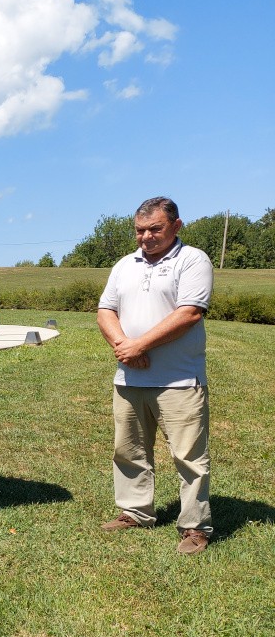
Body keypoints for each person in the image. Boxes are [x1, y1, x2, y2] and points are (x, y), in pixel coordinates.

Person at [97, 196, 214, 554]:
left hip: (179, 380)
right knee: (128, 450)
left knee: (189, 457)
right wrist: (123, 346)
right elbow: (105, 310)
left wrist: (139, 346)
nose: (146, 237)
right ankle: (135, 512)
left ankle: (195, 527)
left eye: (155, 229)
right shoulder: (124, 265)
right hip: (129, 379)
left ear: (176, 227)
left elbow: (190, 313)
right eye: (140, 230)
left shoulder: (192, 259)